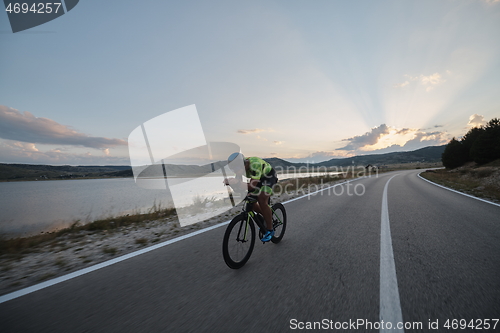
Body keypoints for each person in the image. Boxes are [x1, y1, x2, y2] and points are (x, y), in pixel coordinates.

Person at [224, 152, 278, 242]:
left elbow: (251, 186)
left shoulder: (255, 164)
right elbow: (239, 189)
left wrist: (237, 183)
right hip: (258, 179)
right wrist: (231, 184)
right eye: (233, 169)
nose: (236, 171)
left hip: (269, 177)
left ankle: (270, 229)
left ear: (244, 163)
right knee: (251, 202)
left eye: (237, 168)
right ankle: (265, 216)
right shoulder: (239, 170)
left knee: (262, 200)